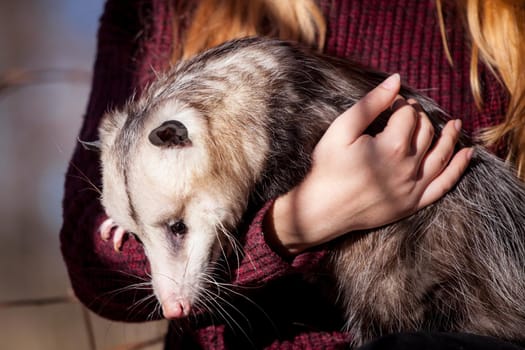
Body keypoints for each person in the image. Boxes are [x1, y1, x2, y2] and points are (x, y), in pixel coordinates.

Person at [59, 0, 524, 348]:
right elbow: (92, 256)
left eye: (176, 227)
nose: (170, 300)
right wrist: (296, 224)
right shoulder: (164, 8)